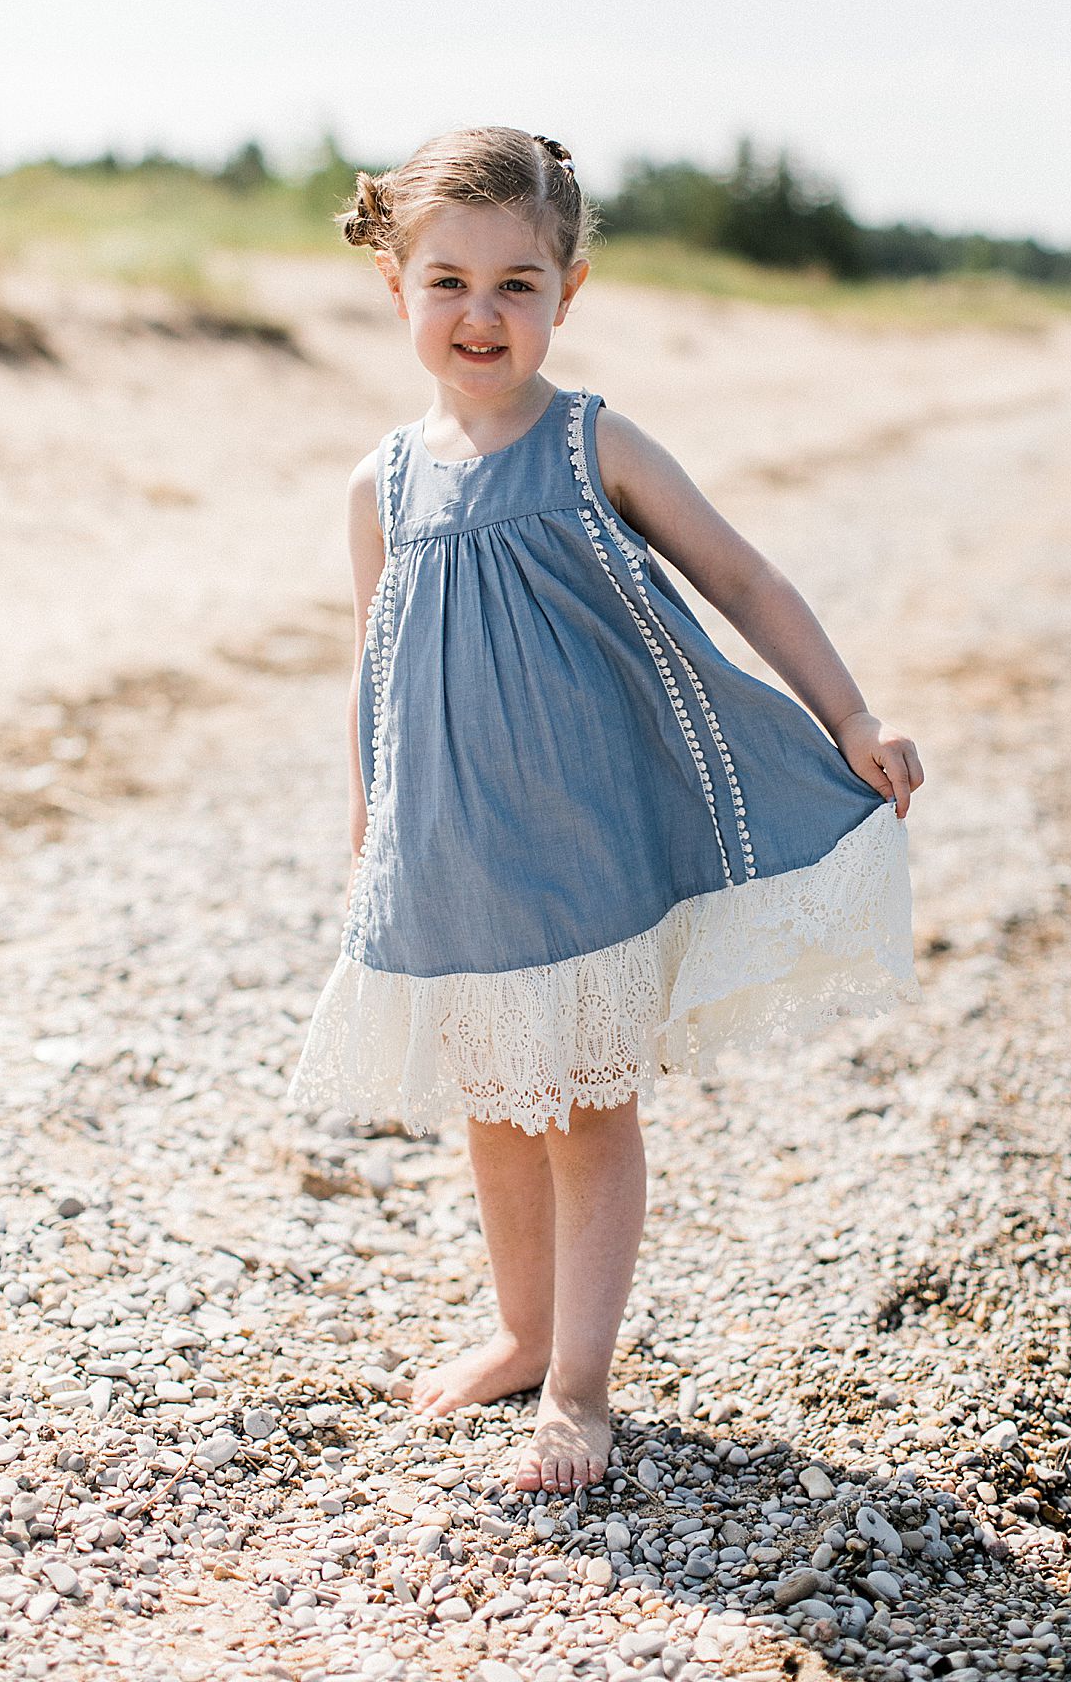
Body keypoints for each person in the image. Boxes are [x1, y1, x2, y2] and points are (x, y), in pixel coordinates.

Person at [288, 125, 923, 1495]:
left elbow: (745, 583)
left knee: (584, 1108)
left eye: (518, 283)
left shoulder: (594, 445)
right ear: (396, 287)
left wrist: (851, 719)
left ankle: (578, 1385)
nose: (481, 313)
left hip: (587, 850)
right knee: (493, 1099)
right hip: (453, 850)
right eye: (447, 281)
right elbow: (375, 665)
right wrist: (368, 830)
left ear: (569, 292)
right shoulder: (378, 485)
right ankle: (522, 1333)